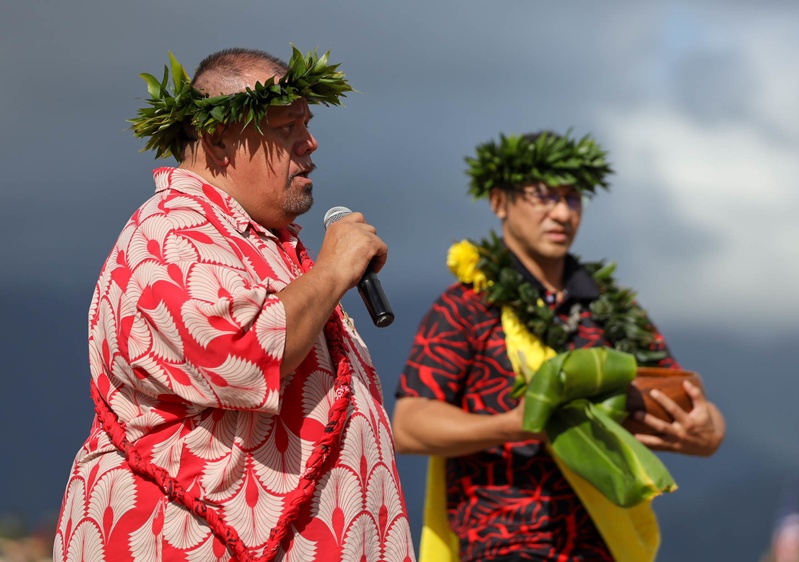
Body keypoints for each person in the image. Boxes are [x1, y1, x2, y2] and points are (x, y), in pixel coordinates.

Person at [52, 47, 415, 562]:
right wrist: (333, 271)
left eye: (307, 124)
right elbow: (239, 354)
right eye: (289, 126)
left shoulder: (256, 241)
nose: (310, 143)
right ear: (218, 140)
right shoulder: (169, 231)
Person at [392, 130, 726, 561]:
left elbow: (680, 393)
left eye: (572, 199)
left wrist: (707, 430)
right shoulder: (466, 307)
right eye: (542, 196)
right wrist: (516, 423)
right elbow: (409, 424)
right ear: (499, 201)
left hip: (605, 546)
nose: (561, 213)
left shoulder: (609, 309)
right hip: (505, 541)